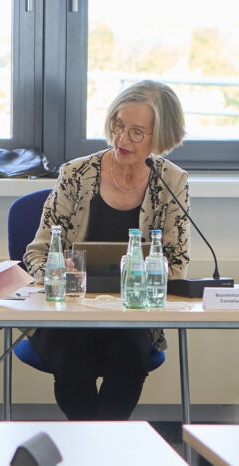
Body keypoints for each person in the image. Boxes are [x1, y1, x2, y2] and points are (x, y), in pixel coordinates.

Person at [23, 79, 190, 420]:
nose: (121, 139)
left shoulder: (171, 182)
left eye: (136, 132)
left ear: (161, 135)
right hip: (68, 315)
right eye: (118, 125)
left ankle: (99, 443)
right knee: (75, 362)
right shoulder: (75, 174)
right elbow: (36, 254)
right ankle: (96, 444)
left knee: (128, 360)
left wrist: (140, 277)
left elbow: (176, 265)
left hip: (133, 317)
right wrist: (55, 272)